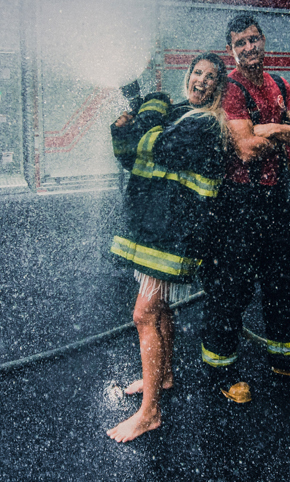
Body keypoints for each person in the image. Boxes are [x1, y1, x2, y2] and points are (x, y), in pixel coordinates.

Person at [199, 13, 290, 402]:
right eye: (240, 43)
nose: (249, 48)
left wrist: (270, 129)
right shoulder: (231, 89)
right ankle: (220, 371)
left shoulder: (280, 85)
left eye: (253, 39)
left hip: (276, 204)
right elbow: (244, 148)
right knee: (230, 290)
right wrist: (282, 135)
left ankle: (288, 360)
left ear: (263, 41)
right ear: (231, 51)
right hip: (238, 207)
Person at [106, 52, 229, 442]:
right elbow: (132, 157)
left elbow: (157, 148)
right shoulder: (176, 111)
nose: (202, 81)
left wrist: (148, 107)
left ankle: (151, 412)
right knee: (157, 309)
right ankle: (165, 376)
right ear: (187, 76)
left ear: (218, 88)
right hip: (157, 226)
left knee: (143, 313)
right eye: (197, 73)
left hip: (174, 232)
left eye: (211, 78)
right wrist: (121, 127)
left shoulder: (206, 124)